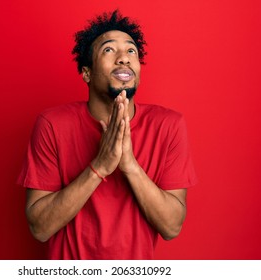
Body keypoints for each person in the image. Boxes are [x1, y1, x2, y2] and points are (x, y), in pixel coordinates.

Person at [18, 10, 197, 260]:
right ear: (87, 73)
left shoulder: (168, 125)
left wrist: (130, 165)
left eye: (131, 51)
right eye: (109, 50)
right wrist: (99, 166)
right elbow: (39, 228)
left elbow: (171, 227)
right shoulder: (52, 125)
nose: (124, 58)